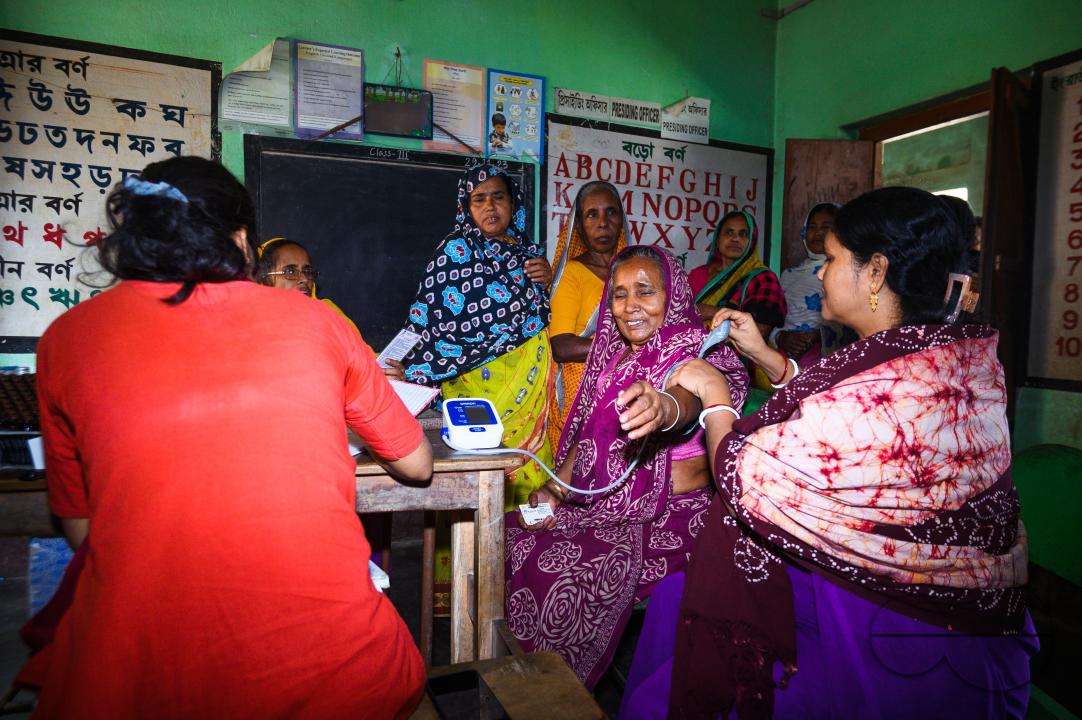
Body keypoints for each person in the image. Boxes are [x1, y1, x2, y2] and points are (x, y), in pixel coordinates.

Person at [28, 157, 432, 718]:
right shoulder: (319, 323)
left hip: (139, 684)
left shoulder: (66, 341)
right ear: (243, 242)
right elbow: (417, 466)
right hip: (342, 674)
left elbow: (82, 530)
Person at [619, 187, 1036, 720]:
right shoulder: (945, 354)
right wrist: (765, 356)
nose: (819, 274)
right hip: (924, 590)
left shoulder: (893, 390)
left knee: (691, 641)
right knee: (681, 595)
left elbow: (747, 480)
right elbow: (837, 410)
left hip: (907, 629)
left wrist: (713, 398)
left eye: (833, 259)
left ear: (876, 273)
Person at [505, 245, 749, 689]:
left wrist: (662, 408)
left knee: (554, 568)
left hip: (670, 515)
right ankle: (516, 683)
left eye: (644, 291)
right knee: (509, 533)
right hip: (598, 501)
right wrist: (556, 490)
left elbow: (689, 399)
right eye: (618, 294)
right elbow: (589, 437)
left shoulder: (697, 349)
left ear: (671, 294)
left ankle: (552, 695)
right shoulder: (612, 355)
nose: (630, 306)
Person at [402, 163, 553, 613]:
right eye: (479, 198)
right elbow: (428, 318)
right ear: (466, 207)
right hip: (475, 391)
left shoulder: (531, 255)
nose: (490, 206)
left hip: (528, 384)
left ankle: (528, 586)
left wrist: (546, 283)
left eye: (499, 197)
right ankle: (466, 597)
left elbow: (540, 318)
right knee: (473, 483)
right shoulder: (453, 252)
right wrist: (404, 361)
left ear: (514, 204)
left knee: (527, 476)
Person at [546, 180, 628, 447]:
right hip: (580, 394)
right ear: (579, 225)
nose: (603, 223)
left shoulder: (631, 272)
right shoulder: (572, 273)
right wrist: (626, 351)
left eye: (611, 212)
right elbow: (562, 346)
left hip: (624, 392)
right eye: (592, 214)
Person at [255, 237, 405, 379]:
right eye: (290, 272)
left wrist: (386, 372)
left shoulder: (328, 313)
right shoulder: (252, 324)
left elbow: (361, 359)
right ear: (263, 277)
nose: (304, 279)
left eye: (308, 271)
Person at [689, 210, 786, 339]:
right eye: (729, 232)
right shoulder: (698, 274)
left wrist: (711, 312)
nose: (735, 239)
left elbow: (759, 331)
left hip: (739, 356)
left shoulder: (763, 278)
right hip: (690, 352)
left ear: (751, 242)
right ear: (717, 240)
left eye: (743, 234)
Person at [773, 202, 848, 359]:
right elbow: (775, 319)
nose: (818, 232)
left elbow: (852, 320)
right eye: (812, 227)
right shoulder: (789, 274)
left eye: (826, 226)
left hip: (826, 353)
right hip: (784, 354)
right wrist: (782, 338)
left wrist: (817, 336)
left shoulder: (846, 272)